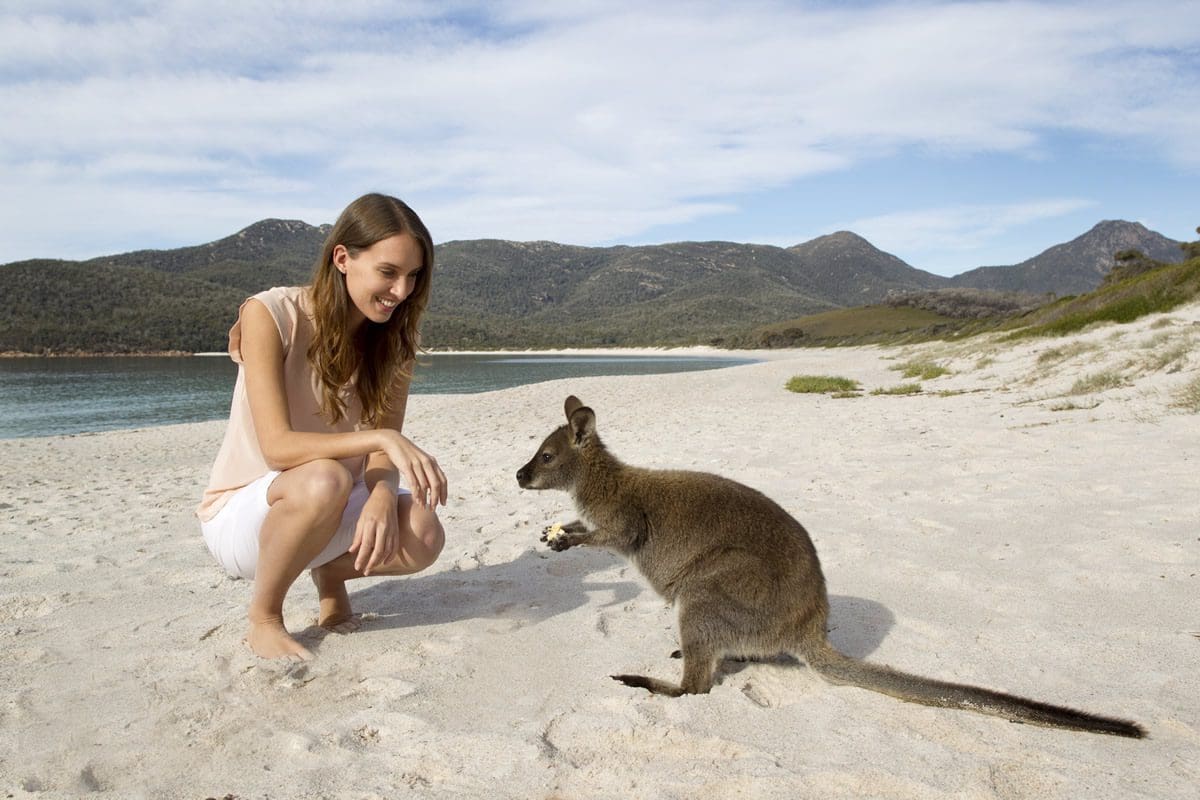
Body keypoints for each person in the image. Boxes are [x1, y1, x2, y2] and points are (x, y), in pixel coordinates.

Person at [196, 193, 448, 662]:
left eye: (413, 276)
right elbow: (278, 448)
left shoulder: (395, 344)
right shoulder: (271, 314)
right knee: (327, 475)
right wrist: (383, 438)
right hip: (246, 514)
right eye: (388, 272)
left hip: (325, 506)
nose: (402, 291)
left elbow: (378, 459)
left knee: (424, 531)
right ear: (343, 258)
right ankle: (264, 618)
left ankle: (330, 577)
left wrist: (377, 494)